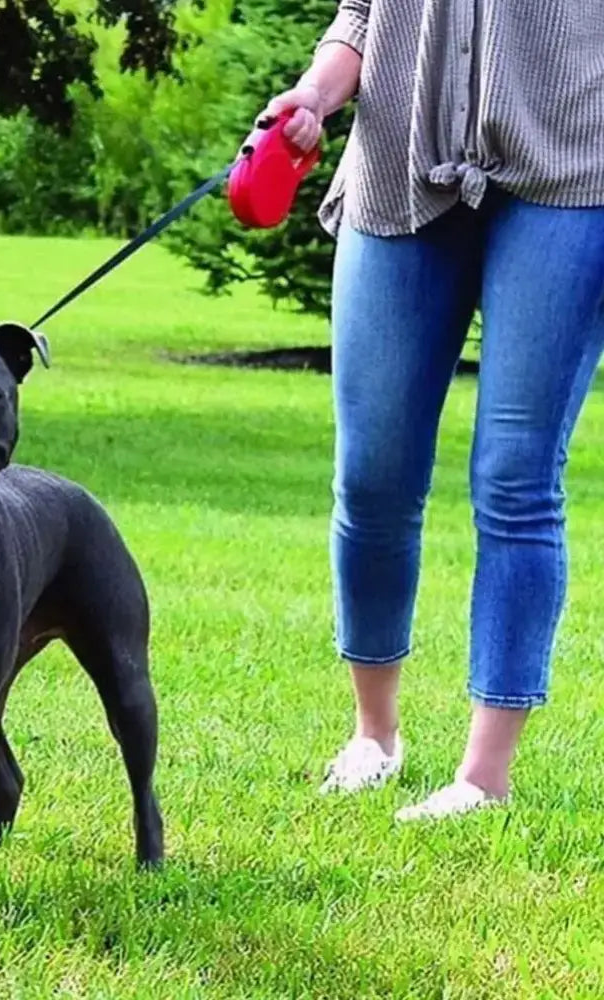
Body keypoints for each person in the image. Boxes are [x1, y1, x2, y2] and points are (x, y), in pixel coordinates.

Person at [253, 1, 604, 819]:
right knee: (372, 475)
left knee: (516, 477)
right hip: (398, 162)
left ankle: (484, 776)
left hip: (573, 172)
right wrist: (313, 94)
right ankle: (374, 735)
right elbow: (363, 14)